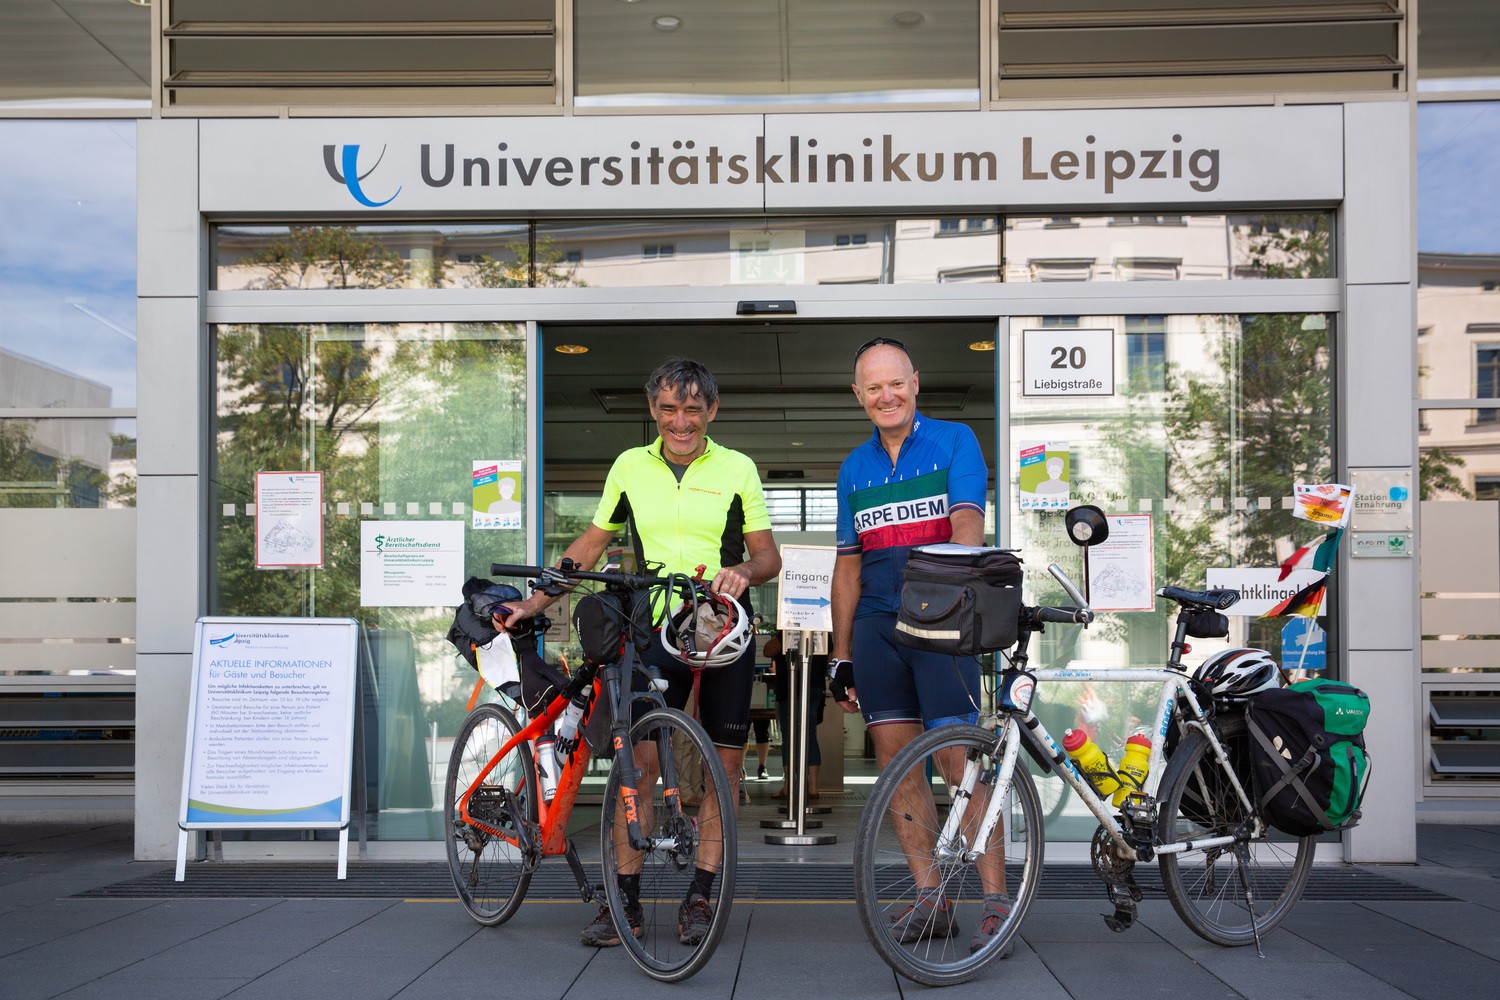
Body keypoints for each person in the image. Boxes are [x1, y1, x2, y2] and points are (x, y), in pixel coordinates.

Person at [498, 357, 781, 950]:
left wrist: (741, 573)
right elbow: (593, 542)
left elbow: (768, 557)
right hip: (653, 630)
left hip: (722, 627)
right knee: (640, 768)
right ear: (654, 410)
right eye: (671, 409)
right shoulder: (629, 466)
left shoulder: (739, 468)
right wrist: (535, 601)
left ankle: (700, 896)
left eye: (694, 410)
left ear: (712, 411)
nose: (682, 422)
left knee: (724, 770)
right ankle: (622, 903)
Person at [827, 336, 1012, 957]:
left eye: (895, 383)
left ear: (915, 382)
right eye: (873, 387)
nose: (886, 395)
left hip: (943, 620)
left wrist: (942, 591)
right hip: (878, 627)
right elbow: (847, 567)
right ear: (859, 396)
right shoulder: (854, 467)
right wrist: (841, 653)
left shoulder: (955, 440)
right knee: (898, 764)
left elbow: (967, 524)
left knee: (959, 760)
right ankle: (931, 898)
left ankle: (994, 901)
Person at [762, 632, 825, 798]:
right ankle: (812, 787)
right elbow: (830, 652)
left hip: (790, 686)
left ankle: (788, 786)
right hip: (815, 684)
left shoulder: (788, 628)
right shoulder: (820, 627)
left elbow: (768, 650)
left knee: (790, 736)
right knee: (809, 734)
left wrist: (784, 634)